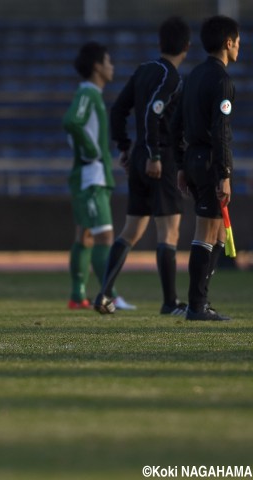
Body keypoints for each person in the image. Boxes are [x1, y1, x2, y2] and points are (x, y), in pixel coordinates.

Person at [94, 17, 191, 315]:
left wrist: (125, 147)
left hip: (139, 156)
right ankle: (169, 302)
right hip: (158, 159)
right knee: (169, 232)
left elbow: (119, 108)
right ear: (186, 47)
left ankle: (104, 293)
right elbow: (152, 113)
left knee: (132, 229)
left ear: (160, 44)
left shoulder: (143, 70)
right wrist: (154, 156)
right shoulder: (171, 77)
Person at [174, 15, 239, 321]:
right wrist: (224, 173)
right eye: (238, 41)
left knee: (218, 237)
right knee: (206, 232)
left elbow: (176, 124)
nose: (240, 46)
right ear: (228, 43)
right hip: (211, 162)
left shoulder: (193, 75)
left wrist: (180, 165)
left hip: (194, 159)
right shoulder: (222, 80)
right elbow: (221, 129)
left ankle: (201, 301)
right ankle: (196, 306)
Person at [62, 41, 135, 311]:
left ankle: (77, 295)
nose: (111, 67)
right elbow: (72, 121)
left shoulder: (92, 95)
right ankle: (110, 295)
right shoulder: (89, 94)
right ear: (97, 67)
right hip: (92, 178)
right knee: (105, 238)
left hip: (90, 175)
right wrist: (92, 151)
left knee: (84, 237)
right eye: (108, 62)